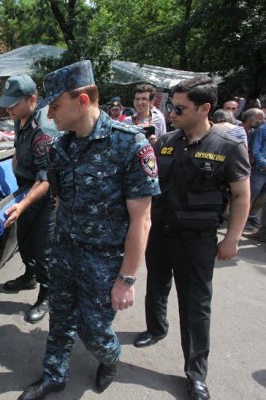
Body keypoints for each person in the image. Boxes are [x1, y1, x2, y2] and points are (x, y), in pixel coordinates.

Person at [18, 60, 160, 400]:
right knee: (61, 320)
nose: (49, 114)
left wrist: (126, 279)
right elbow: (59, 201)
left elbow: (142, 219)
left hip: (104, 261)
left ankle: (111, 358)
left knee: (94, 332)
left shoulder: (130, 146)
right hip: (65, 253)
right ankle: (54, 376)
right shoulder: (60, 148)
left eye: (55, 105)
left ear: (82, 100)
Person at [134, 77, 251, 400]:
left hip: (197, 238)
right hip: (161, 230)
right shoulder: (166, 141)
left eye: (180, 108)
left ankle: (196, 372)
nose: (171, 112)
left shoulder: (228, 147)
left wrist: (233, 238)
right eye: (170, 105)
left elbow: (242, 195)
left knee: (195, 305)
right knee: (156, 285)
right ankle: (155, 329)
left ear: (204, 108)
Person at [0, 74, 60, 324]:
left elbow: (45, 179)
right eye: (7, 103)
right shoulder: (19, 118)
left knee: (44, 250)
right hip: (25, 188)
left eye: (14, 103)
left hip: (43, 195)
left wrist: (22, 205)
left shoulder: (43, 129)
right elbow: (21, 148)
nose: (9, 108)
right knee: (24, 239)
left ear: (32, 99)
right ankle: (29, 276)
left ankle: (46, 295)